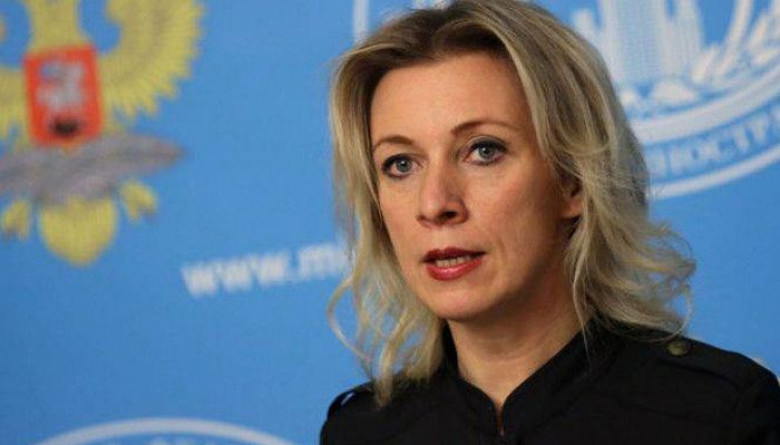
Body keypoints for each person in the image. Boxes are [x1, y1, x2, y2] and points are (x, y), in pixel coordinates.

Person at [321, 1, 780, 444]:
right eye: (401, 164)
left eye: (483, 150)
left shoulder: (718, 415)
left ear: (573, 180)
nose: (435, 203)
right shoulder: (361, 433)